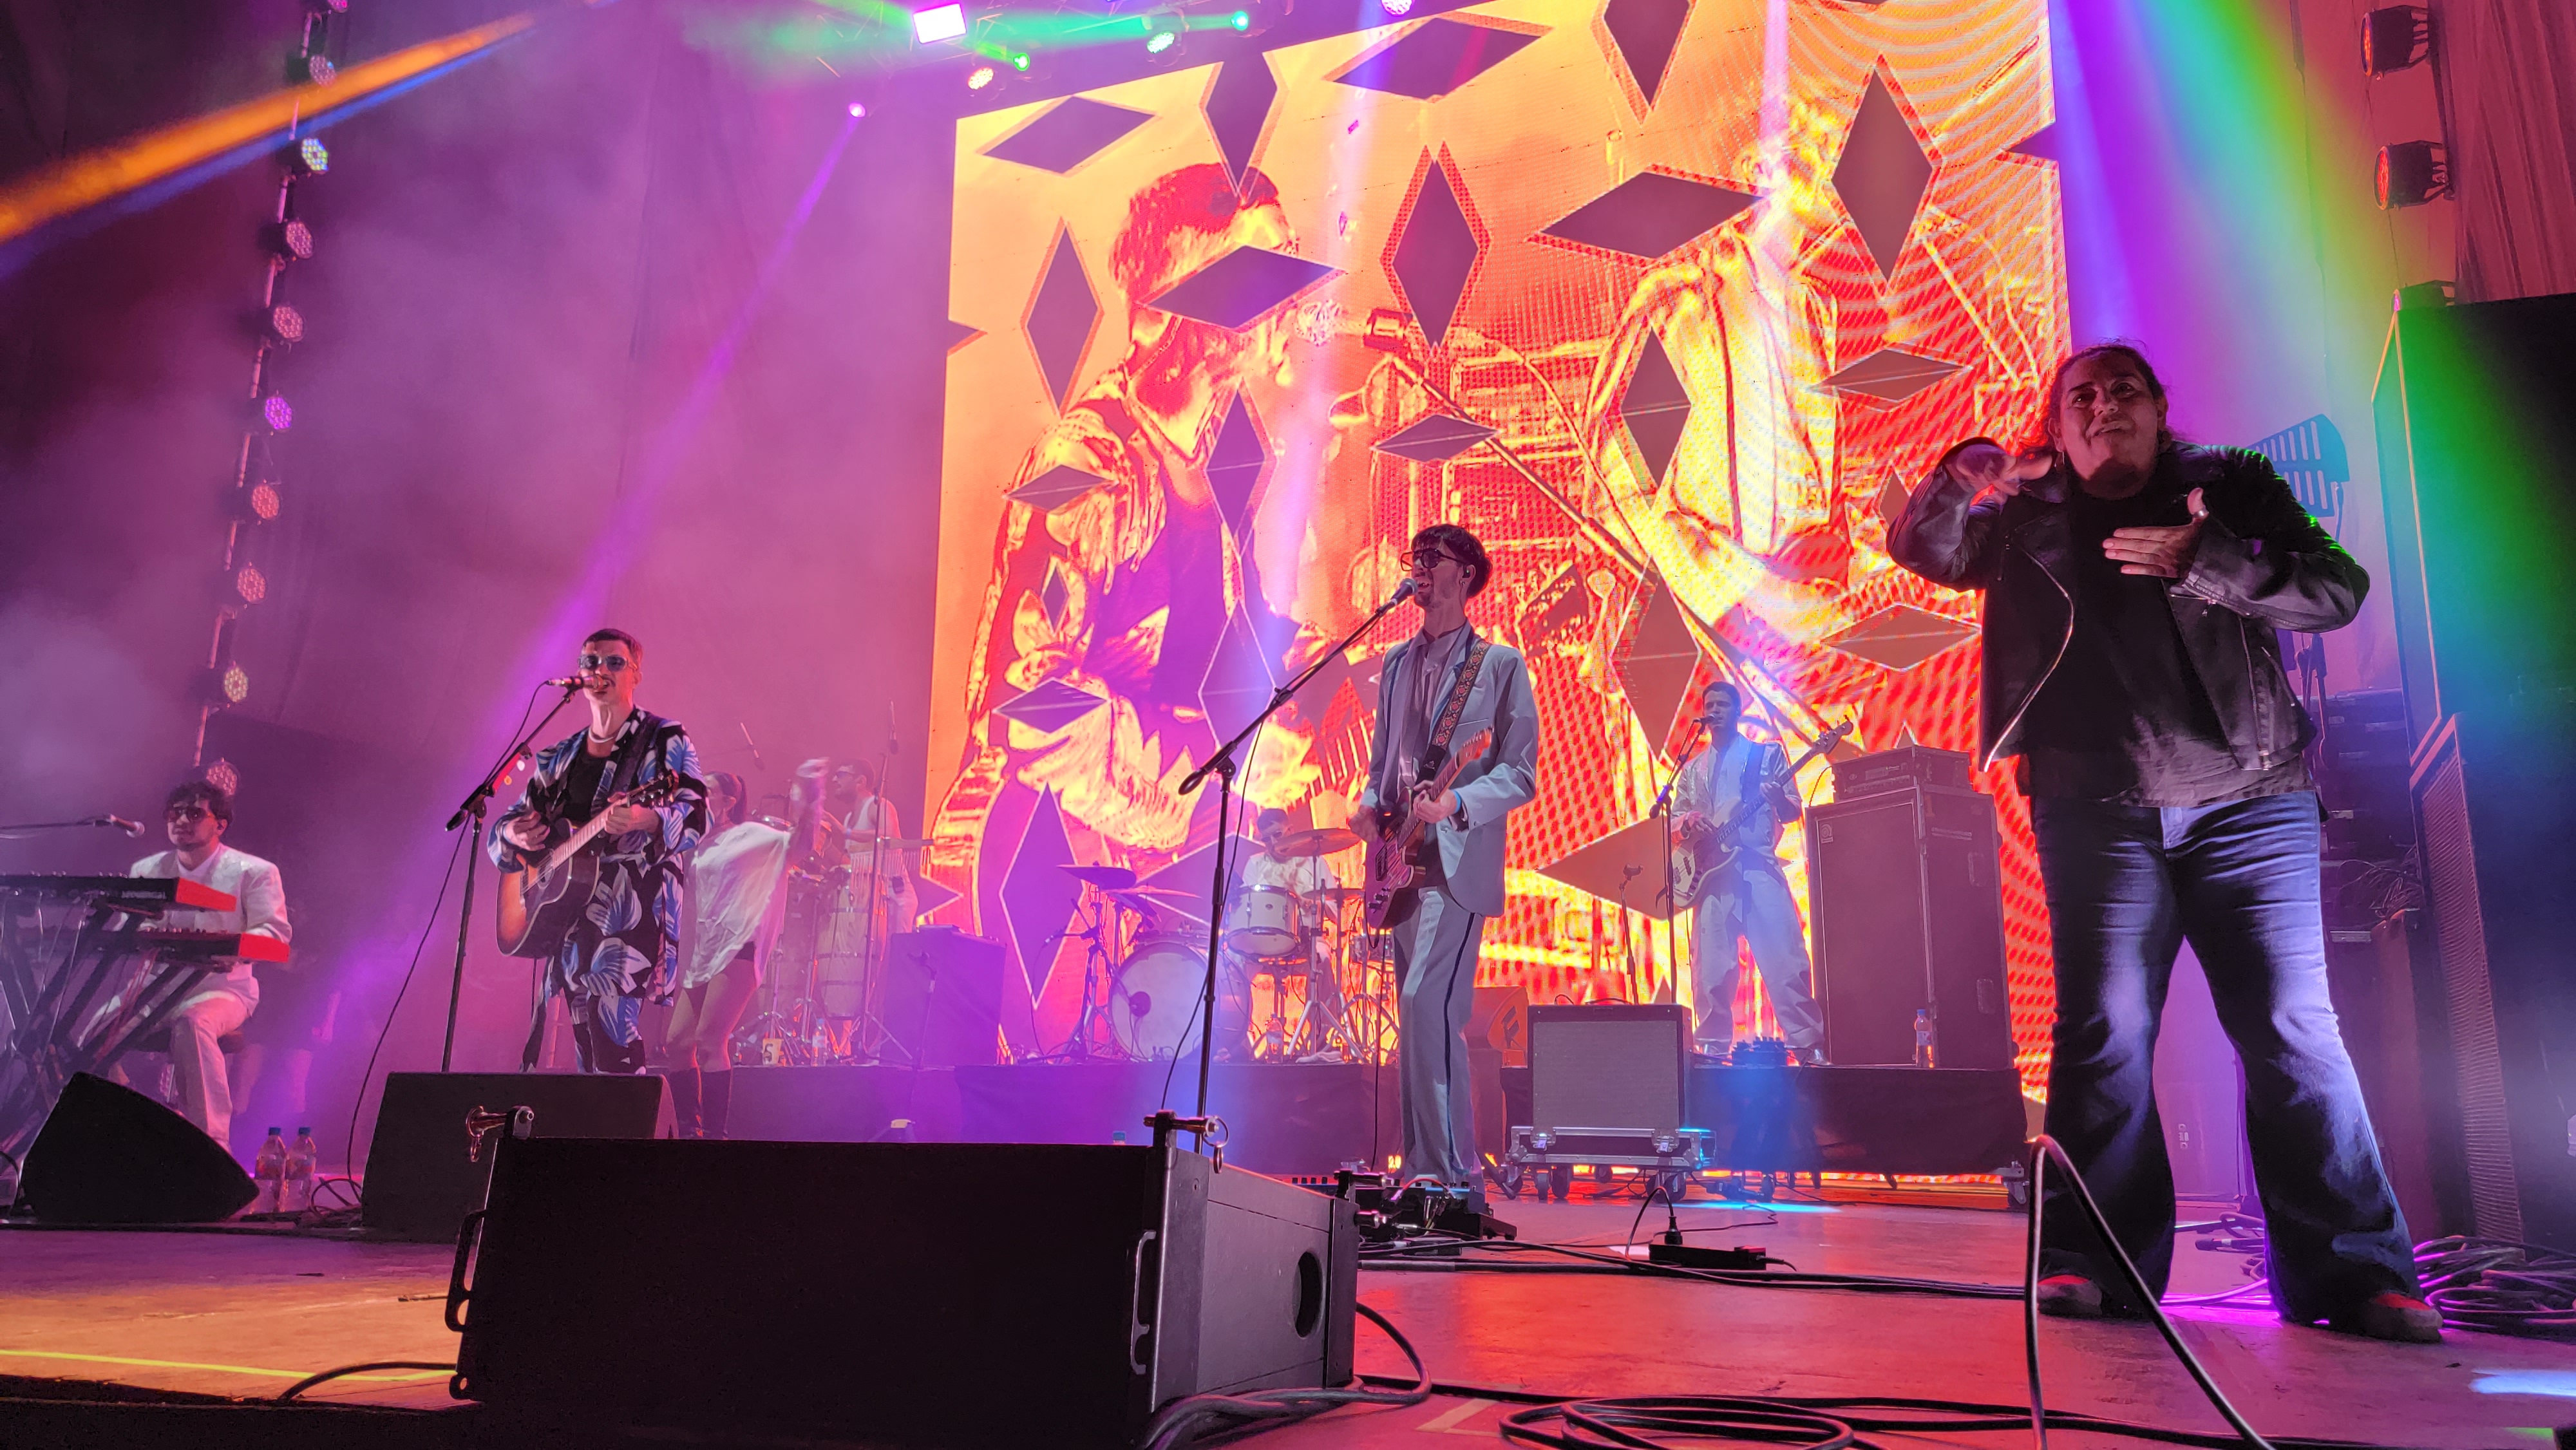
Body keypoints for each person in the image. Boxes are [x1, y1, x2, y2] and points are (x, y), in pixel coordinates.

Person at [1888, 342, 2436, 1342]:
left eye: (2125, 391)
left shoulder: (2229, 485)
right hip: (2095, 807)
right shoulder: (2021, 515)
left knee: (2293, 1030)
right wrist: (1958, 474)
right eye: (2082, 397)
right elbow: (1925, 552)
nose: (2105, 407)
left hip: (2251, 802)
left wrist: (2210, 562)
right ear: (2056, 428)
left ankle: (2358, 1273)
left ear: (2157, 409)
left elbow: (2338, 590)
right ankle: (2091, 1265)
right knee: (2104, 1032)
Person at [1352, 524, 1540, 1210]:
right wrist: (1367, 805)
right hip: (1399, 861)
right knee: (1420, 1019)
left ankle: (1444, 1171)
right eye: (1415, 558)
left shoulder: (1499, 665)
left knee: (1423, 1003)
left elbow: (1520, 773)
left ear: (1466, 573)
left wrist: (1457, 801)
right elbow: (1383, 762)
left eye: (1433, 558)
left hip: (1456, 860)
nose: (1420, 568)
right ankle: (1433, 1172)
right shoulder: (1396, 663)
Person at [493, 628, 706, 1074]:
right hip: (566, 911)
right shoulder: (558, 757)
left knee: (613, 1030)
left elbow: (697, 814)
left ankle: (629, 1119)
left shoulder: (663, 738)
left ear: (636, 674)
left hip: (629, 907)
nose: (600, 670)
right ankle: (596, 1120)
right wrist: (514, 832)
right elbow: (507, 825)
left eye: (614, 662)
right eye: (591, 662)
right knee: (583, 1037)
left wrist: (648, 819)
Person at [125, 781, 289, 1147]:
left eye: (195, 813)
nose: (181, 821)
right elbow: (126, 925)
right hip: (155, 990)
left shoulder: (254, 871)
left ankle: (211, 1147)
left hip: (222, 990)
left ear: (220, 824)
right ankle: (121, 1121)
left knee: (193, 1023)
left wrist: (222, 945)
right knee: (87, 1037)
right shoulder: (147, 869)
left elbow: (274, 933)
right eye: (174, 813)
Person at [1672, 681, 1823, 1063]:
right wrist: (1689, 820)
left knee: (1785, 959)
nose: (1715, 710)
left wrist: (1777, 798)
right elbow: (1674, 820)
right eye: (1710, 704)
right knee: (1711, 971)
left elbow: (1791, 810)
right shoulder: (1692, 769)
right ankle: (1712, 1049)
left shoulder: (1765, 754)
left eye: (1723, 704)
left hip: (1757, 867)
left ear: (1737, 711)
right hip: (1710, 876)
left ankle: (1808, 1045)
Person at [668, 771, 790, 1138]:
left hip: (738, 948)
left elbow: (797, 845)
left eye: (706, 791)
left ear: (728, 802)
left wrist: (811, 800)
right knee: (677, 1043)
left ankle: (715, 1136)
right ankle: (690, 1130)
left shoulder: (749, 835)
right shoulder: (694, 843)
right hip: (702, 953)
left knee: (710, 1040)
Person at [1216, 807, 1343, 1061]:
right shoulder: (1255, 863)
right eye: (1267, 839)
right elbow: (1246, 907)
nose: (1273, 843)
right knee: (1231, 964)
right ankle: (1237, 1043)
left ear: (1291, 831)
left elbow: (1335, 911)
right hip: (1261, 942)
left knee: (1323, 959)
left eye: (1278, 835)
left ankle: (1323, 1042)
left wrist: (1314, 903)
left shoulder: (1314, 861)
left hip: (1305, 941)